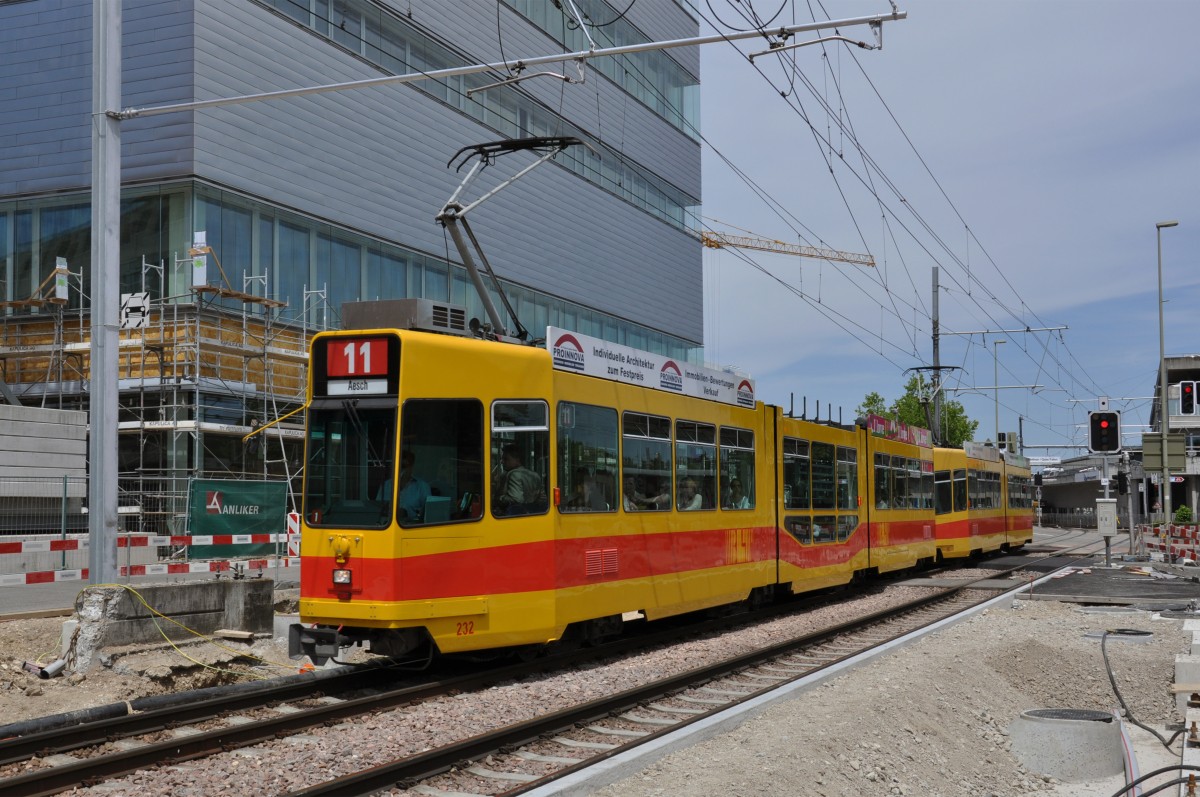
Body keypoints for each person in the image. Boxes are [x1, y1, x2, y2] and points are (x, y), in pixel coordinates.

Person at [494, 444, 545, 515]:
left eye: (506, 459)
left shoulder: (513, 474)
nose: (502, 462)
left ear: (517, 460)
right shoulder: (535, 475)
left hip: (514, 515)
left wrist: (500, 498)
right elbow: (542, 499)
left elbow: (516, 499)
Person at [380, 449, 430, 522]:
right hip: (386, 527)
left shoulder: (423, 487)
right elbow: (376, 509)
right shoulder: (386, 485)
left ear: (412, 466)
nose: (404, 470)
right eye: (402, 466)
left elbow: (428, 514)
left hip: (412, 529)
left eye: (407, 466)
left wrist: (407, 513)